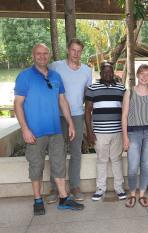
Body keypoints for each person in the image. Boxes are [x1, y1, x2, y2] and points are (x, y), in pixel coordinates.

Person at [14, 44, 84, 215]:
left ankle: (63, 198)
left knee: (59, 164)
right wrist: (25, 130)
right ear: (33, 56)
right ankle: (38, 200)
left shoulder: (56, 76)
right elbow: (18, 104)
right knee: (36, 166)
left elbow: (62, 101)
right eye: (39, 53)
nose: (42, 56)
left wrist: (71, 123)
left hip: (55, 131)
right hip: (35, 132)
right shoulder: (24, 76)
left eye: (45, 53)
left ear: (50, 55)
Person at [47, 38, 92, 203]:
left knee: (75, 152)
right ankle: (54, 187)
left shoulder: (87, 71)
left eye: (79, 51)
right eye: (73, 50)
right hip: (57, 116)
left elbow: (86, 93)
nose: (76, 54)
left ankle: (74, 186)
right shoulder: (56, 66)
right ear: (68, 50)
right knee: (56, 152)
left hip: (77, 115)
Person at [84, 62, 127, 201]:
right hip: (100, 133)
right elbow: (87, 111)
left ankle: (119, 187)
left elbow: (126, 111)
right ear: (100, 73)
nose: (108, 74)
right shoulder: (92, 88)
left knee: (116, 159)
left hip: (118, 132)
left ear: (113, 72)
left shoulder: (121, 88)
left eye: (110, 71)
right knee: (102, 160)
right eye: (104, 71)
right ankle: (100, 188)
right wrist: (90, 132)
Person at [122, 64, 148, 208]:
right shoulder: (129, 93)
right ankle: (132, 194)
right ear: (137, 75)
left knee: (146, 165)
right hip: (133, 133)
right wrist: (125, 136)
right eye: (142, 74)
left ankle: (142, 194)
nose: (145, 77)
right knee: (133, 166)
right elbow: (124, 115)